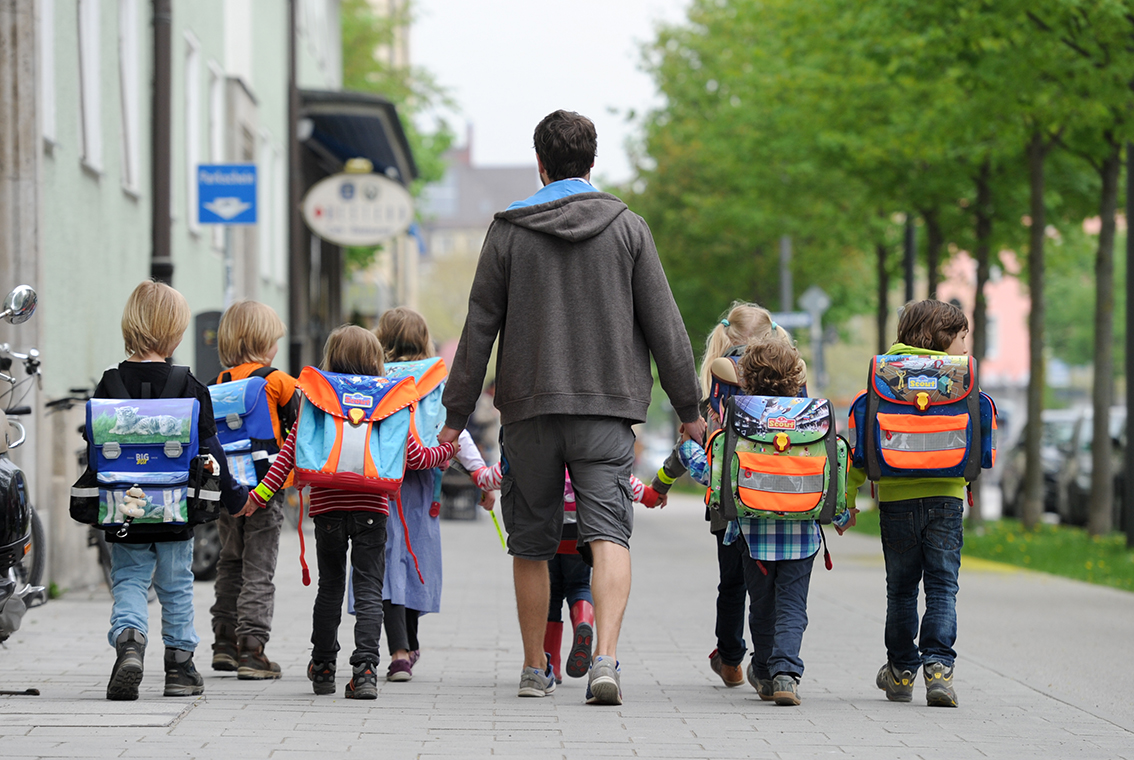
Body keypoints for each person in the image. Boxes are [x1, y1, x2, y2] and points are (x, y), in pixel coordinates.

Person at [439, 109, 704, 705]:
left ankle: (537, 668)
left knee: (531, 542)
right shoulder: (628, 228)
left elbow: (478, 329)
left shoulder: (508, 231)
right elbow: (666, 325)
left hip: (529, 411)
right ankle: (606, 659)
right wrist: (690, 408)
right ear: (591, 161)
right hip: (606, 413)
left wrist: (453, 417)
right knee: (609, 534)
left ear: (539, 164)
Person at [238, 325, 457, 700]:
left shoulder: (318, 396)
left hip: (327, 509)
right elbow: (417, 457)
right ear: (376, 362)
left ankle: (322, 666)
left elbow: (289, 454)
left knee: (330, 587)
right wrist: (447, 452)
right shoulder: (389, 399)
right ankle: (366, 671)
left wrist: (258, 496)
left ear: (331, 358)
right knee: (370, 588)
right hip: (373, 506)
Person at [98, 281, 247, 701]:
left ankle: (129, 642)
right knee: (177, 583)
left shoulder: (109, 384)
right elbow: (211, 451)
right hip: (175, 509)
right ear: (176, 332)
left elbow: (97, 453)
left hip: (124, 507)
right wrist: (235, 498)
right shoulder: (190, 385)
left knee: (128, 577)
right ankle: (179, 668)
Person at [655, 302, 789, 689]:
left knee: (732, 582)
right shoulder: (789, 376)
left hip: (728, 503)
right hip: (782, 497)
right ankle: (774, 661)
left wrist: (661, 484)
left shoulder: (714, 387)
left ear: (726, 337)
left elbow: (692, 444)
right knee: (777, 583)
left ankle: (730, 658)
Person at [847, 300, 971, 708]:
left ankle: (901, 672)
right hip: (946, 495)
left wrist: (847, 499)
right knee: (941, 586)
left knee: (900, 589)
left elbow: (862, 441)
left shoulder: (883, 376)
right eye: (961, 336)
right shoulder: (960, 380)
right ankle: (939, 669)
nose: (964, 345)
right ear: (942, 337)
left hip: (896, 498)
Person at [373, 307, 494, 683]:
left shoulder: (372, 378)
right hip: (422, 485)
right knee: (414, 561)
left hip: (378, 485)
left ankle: (398, 652)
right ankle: (408, 645)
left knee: (386, 561)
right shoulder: (435, 381)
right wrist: (479, 475)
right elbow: (456, 434)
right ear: (424, 341)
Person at [472, 463, 662, 684]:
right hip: (580, 534)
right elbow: (623, 481)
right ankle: (583, 620)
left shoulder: (537, 449)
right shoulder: (587, 452)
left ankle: (551, 665)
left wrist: (475, 473)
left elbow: (501, 472)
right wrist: (651, 496)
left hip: (546, 533)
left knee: (549, 599)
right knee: (580, 585)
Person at [208, 300, 299, 679]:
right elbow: (300, 430)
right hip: (266, 490)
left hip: (230, 491)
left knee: (230, 562)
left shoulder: (217, 384)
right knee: (259, 567)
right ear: (265, 342)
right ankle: (252, 649)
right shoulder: (279, 381)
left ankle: (224, 643)